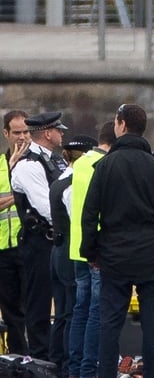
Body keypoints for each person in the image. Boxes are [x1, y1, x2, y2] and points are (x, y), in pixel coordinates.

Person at [80, 103, 154, 378]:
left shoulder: (104, 166)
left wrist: (90, 252)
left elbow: (90, 214)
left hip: (114, 254)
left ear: (122, 125)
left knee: (109, 325)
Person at [11, 111, 69, 360]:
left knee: (63, 301)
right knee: (39, 304)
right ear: (47, 133)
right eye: (58, 130)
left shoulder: (56, 161)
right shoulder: (29, 165)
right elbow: (47, 207)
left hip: (56, 240)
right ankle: (38, 358)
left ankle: (56, 357)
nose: (62, 134)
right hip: (38, 242)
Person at [68, 121, 115, 378]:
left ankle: (75, 368)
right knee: (97, 312)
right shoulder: (103, 164)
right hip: (97, 249)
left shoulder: (81, 162)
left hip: (78, 247)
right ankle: (89, 369)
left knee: (80, 310)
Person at [48, 134, 96, 377]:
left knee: (64, 313)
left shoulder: (60, 180)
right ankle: (66, 365)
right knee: (71, 312)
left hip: (58, 250)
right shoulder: (73, 184)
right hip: (69, 253)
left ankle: (57, 362)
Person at [0, 110, 30, 355]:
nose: (22, 137)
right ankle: (17, 360)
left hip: (31, 246)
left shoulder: (38, 162)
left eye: (26, 132)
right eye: (17, 132)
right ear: (6, 133)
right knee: (12, 313)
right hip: (3, 250)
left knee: (36, 309)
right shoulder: (1, 165)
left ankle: (39, 361)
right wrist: (18, 194)